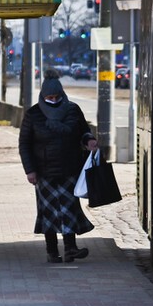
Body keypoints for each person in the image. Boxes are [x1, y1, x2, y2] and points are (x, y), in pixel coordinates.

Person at [18, 72, 95, 263]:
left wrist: (89, 140)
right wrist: (30, 170)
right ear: (43, 96)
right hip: (44, 173)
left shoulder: (73, 110)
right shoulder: (33, 114)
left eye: (56, 97)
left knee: (69, 208)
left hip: (70, 169)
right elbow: (24, 144)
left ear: (62, 94)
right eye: (49, 98)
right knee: (49, 212)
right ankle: (52, 251)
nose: (53, 101)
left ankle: (70, 248)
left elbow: (83, 130)